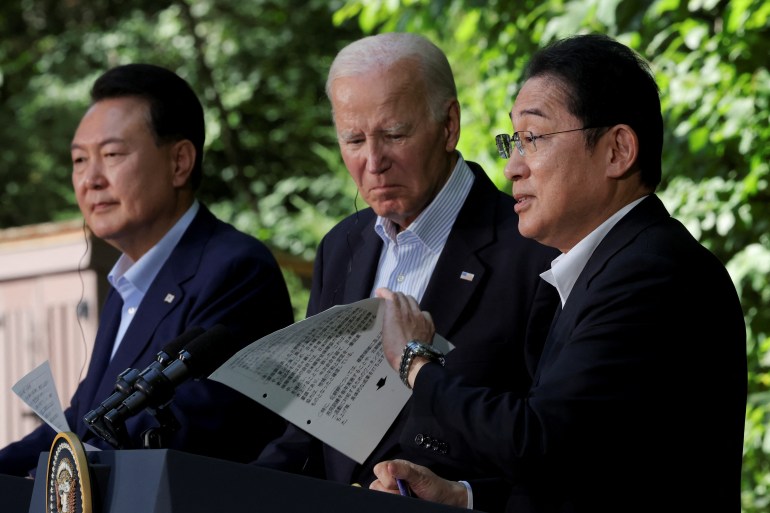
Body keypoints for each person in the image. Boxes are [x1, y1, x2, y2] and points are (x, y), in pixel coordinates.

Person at [371, 34, 747, 513]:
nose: (513, 168)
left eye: (533, 138)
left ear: (618, 150)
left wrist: (415, 361)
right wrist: (462, 496)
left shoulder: (654, 273)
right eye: (513, 142)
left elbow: (538, 441)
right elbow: (580, 463)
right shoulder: (610, 266)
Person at [254, 32, 559, 503]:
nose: (373, 162)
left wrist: (461, 495)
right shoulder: (342, 246)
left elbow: (555, 448)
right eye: (353, 139)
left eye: (394, 135)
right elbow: (309, 431)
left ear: (449, 125)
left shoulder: (533, 247)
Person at [0, 63, 294, 476]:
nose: (90, 179)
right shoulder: (128, 284)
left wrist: (60, 472)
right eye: (79, 160)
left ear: (179, 162)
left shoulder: (236, 269)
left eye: (112, 155)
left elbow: (192, 424)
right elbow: (82, 419)